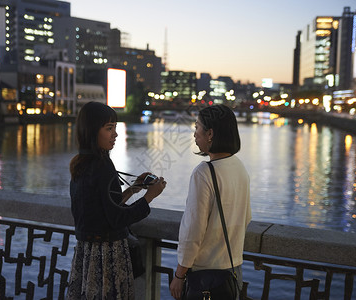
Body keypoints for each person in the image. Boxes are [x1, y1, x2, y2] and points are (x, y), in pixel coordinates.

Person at [67, 101, 167, 300]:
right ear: (92, 131)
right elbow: (116, 218)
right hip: (107, 254)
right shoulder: (103, 165)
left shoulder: (81, 163)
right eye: (109, 128)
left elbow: (101, 207)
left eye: (115, 128)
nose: (115, 134)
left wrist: (133, 190)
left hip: (87, 251)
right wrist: (149, 197)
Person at [169, 104, 251, 299]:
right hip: (232, 271)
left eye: (197, 127)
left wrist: (179, 275)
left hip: (206, 278)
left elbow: (193, 231)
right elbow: (246, 217)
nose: (194, 133)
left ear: (210, 133)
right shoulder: (239, 167)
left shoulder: (204, 173)